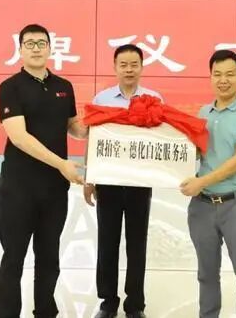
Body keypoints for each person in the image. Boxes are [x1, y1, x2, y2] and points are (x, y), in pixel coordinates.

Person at [0, 23, 88, 318]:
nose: (36, 49)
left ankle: (46, 311)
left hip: (54, 188)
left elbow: (75, 128)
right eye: (30, 44)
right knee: (14, 256)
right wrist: (62, 164)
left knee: (49, 256)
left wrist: (108, 122)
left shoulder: (64, 87)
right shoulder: (10, 87)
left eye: (41, 43)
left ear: (50, 48)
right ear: (20, 50)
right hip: (19, 187)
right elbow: (18, 137)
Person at [179, 49, 236, 318]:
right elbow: (196, 153)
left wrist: (201, 180)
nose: (223, 80)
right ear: (210, 77)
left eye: (230, 74)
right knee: (206, 274)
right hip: (202, 206)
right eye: (217, 74)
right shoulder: (203, 112)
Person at [84, 44, 162, 318]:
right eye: (123, 65)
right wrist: (89, 178)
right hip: (108, 181)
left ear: (141, 67)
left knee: (137, 243)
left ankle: (135, 304)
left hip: (140, 181)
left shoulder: (154, 99)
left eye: (134, 64)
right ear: (115, 67)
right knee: (107, 242)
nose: (129, 70)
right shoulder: (103, 98)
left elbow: (161, 140)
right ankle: (108, 302)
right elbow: (93, 139)